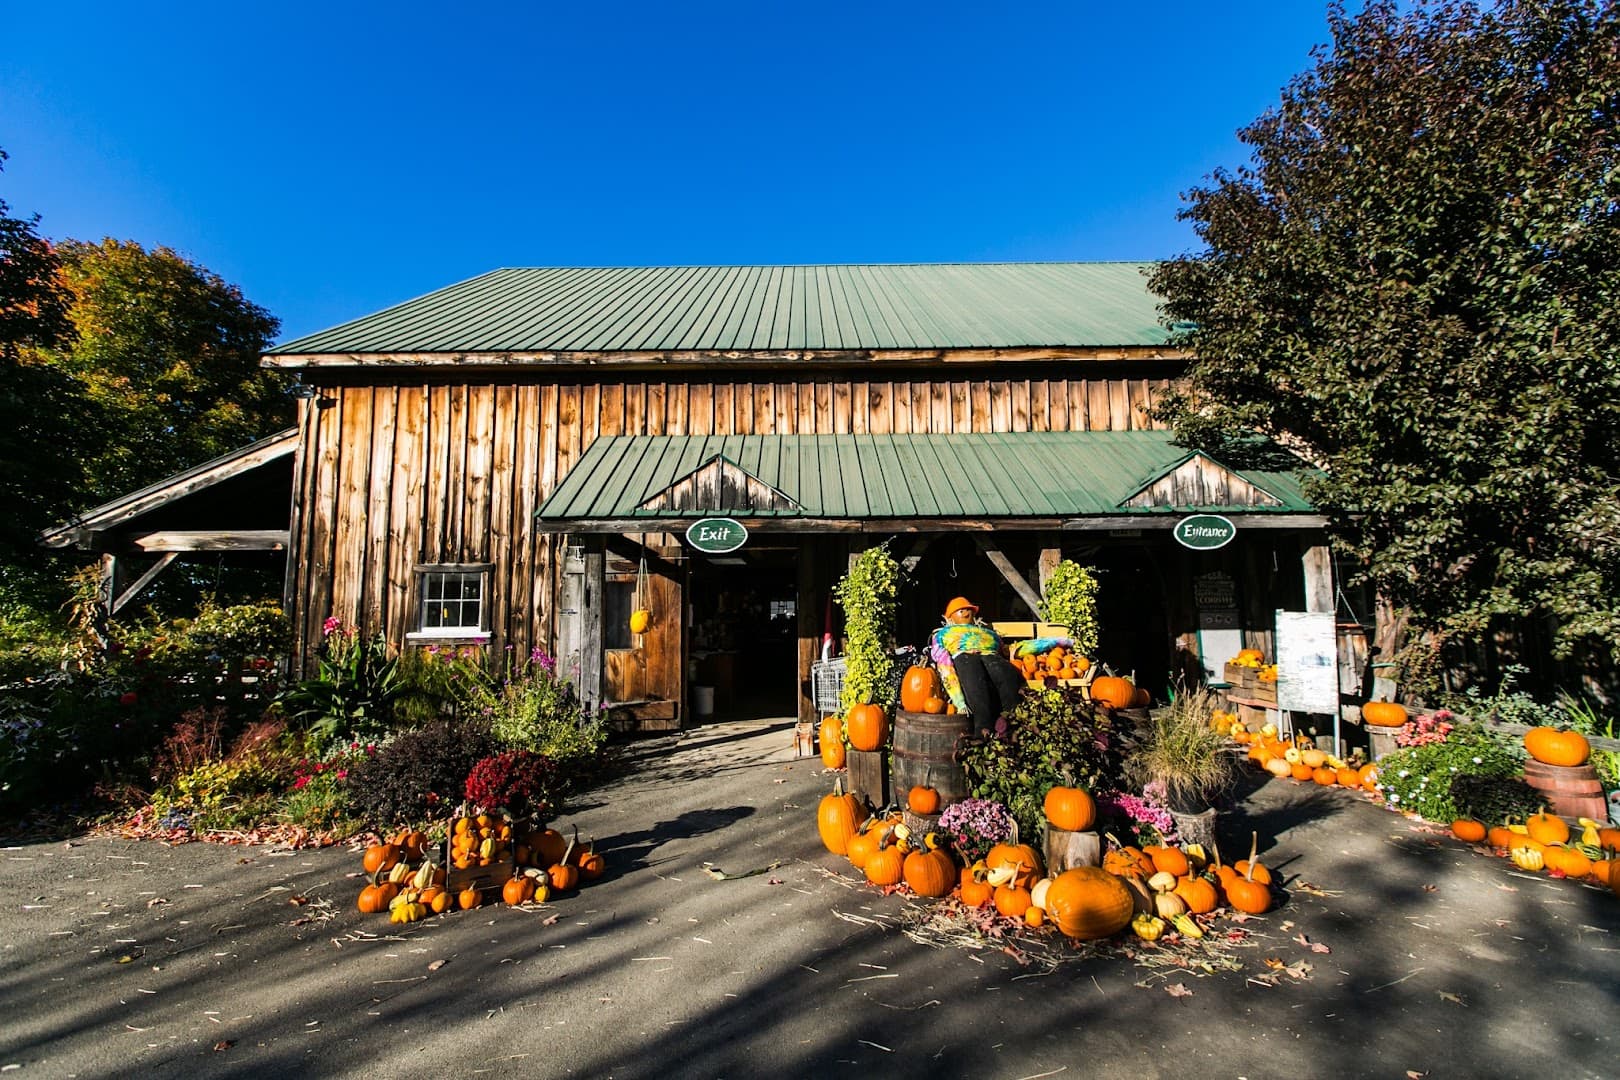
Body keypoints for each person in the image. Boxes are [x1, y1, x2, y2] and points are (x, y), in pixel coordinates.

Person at [928, 597, 1027, 735]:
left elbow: (1009, 649)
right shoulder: (943, 634)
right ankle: (982, 731)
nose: (965, 613)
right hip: (963, 656)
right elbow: (944, 664)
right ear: (949, 618)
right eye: (960, 610)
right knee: (973, 676)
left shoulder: (989, 634)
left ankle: (1012, 727)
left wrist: (1057, 642)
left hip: (991, 656)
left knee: (1006, 673)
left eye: (968, 609)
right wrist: (959, 701)